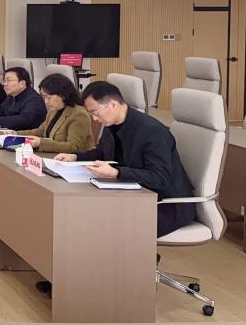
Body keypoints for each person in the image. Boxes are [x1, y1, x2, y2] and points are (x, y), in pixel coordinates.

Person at [55, 81, 196, 237]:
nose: (95, 119)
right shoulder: (111, 124)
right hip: (133, 194)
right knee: (85, 212)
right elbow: (102, 152)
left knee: (107, 226)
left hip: (166, 204)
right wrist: (75, 156)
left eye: (95, 112)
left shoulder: (153, 132)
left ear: (112, 105)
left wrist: (117, 173)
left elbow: (159, 178)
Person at [15, 73, 94, 153]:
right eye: (44, 97)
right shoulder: (54, 110)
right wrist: (15, 134)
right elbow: (41, 131)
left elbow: (74, 146)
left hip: (71, 159)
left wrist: (41, 143)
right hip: (52, 156)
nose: (46, 102)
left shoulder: (78, 114)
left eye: (49, 98)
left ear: (63, 95)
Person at [0, 67, 47, 131]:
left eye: (9, 80)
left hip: (26, 136)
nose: (5, 84)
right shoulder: (12, 96)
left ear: (22, 83)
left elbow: (24, 119)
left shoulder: (34, 100)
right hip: (11, 132)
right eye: (4, 81)